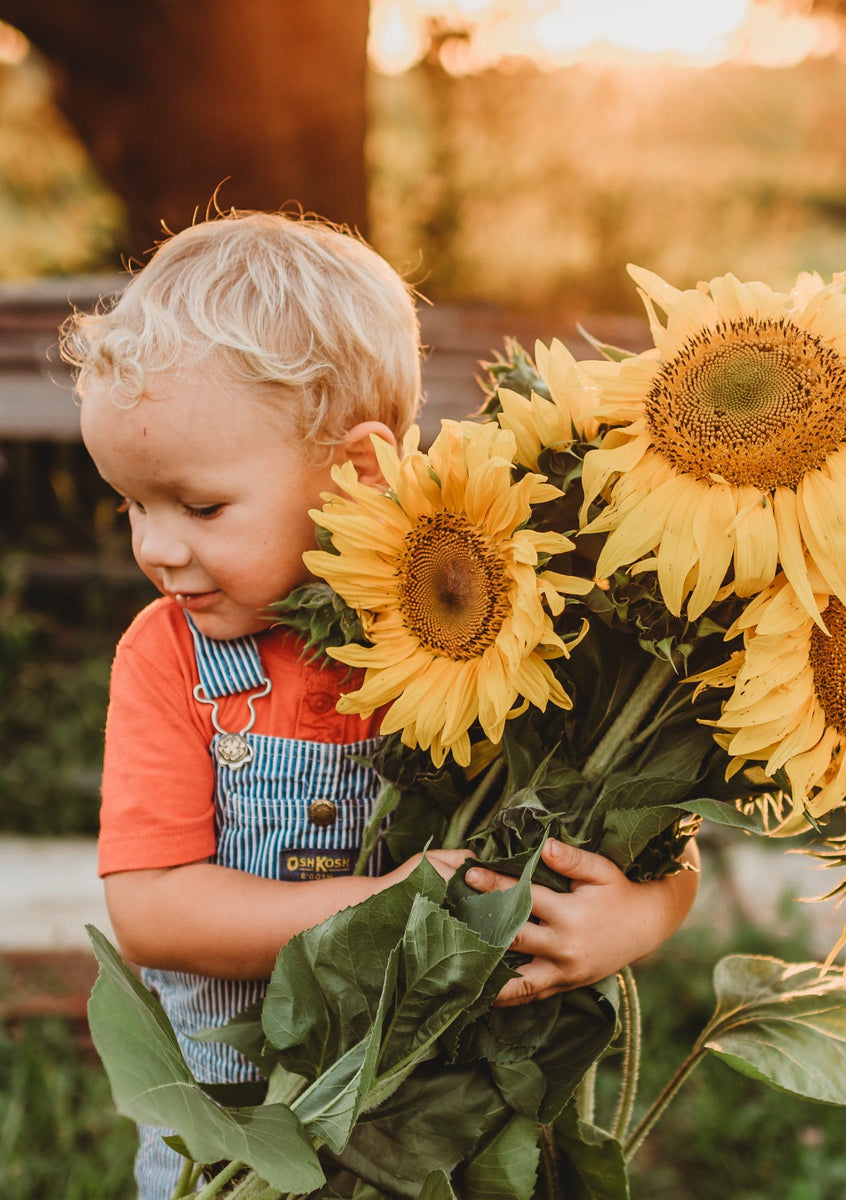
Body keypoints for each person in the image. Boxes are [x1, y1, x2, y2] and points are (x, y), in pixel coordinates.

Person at [62, 210, 700, 1199]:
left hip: (449, 1136)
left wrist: (643, 918)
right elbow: (150, 909)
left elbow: (643, 819)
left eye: (199, 506)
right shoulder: (168, 660)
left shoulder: (476, 626)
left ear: (357, 473)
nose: (156, 548)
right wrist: (385, 903)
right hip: (238, 1139)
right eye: (132, 503)